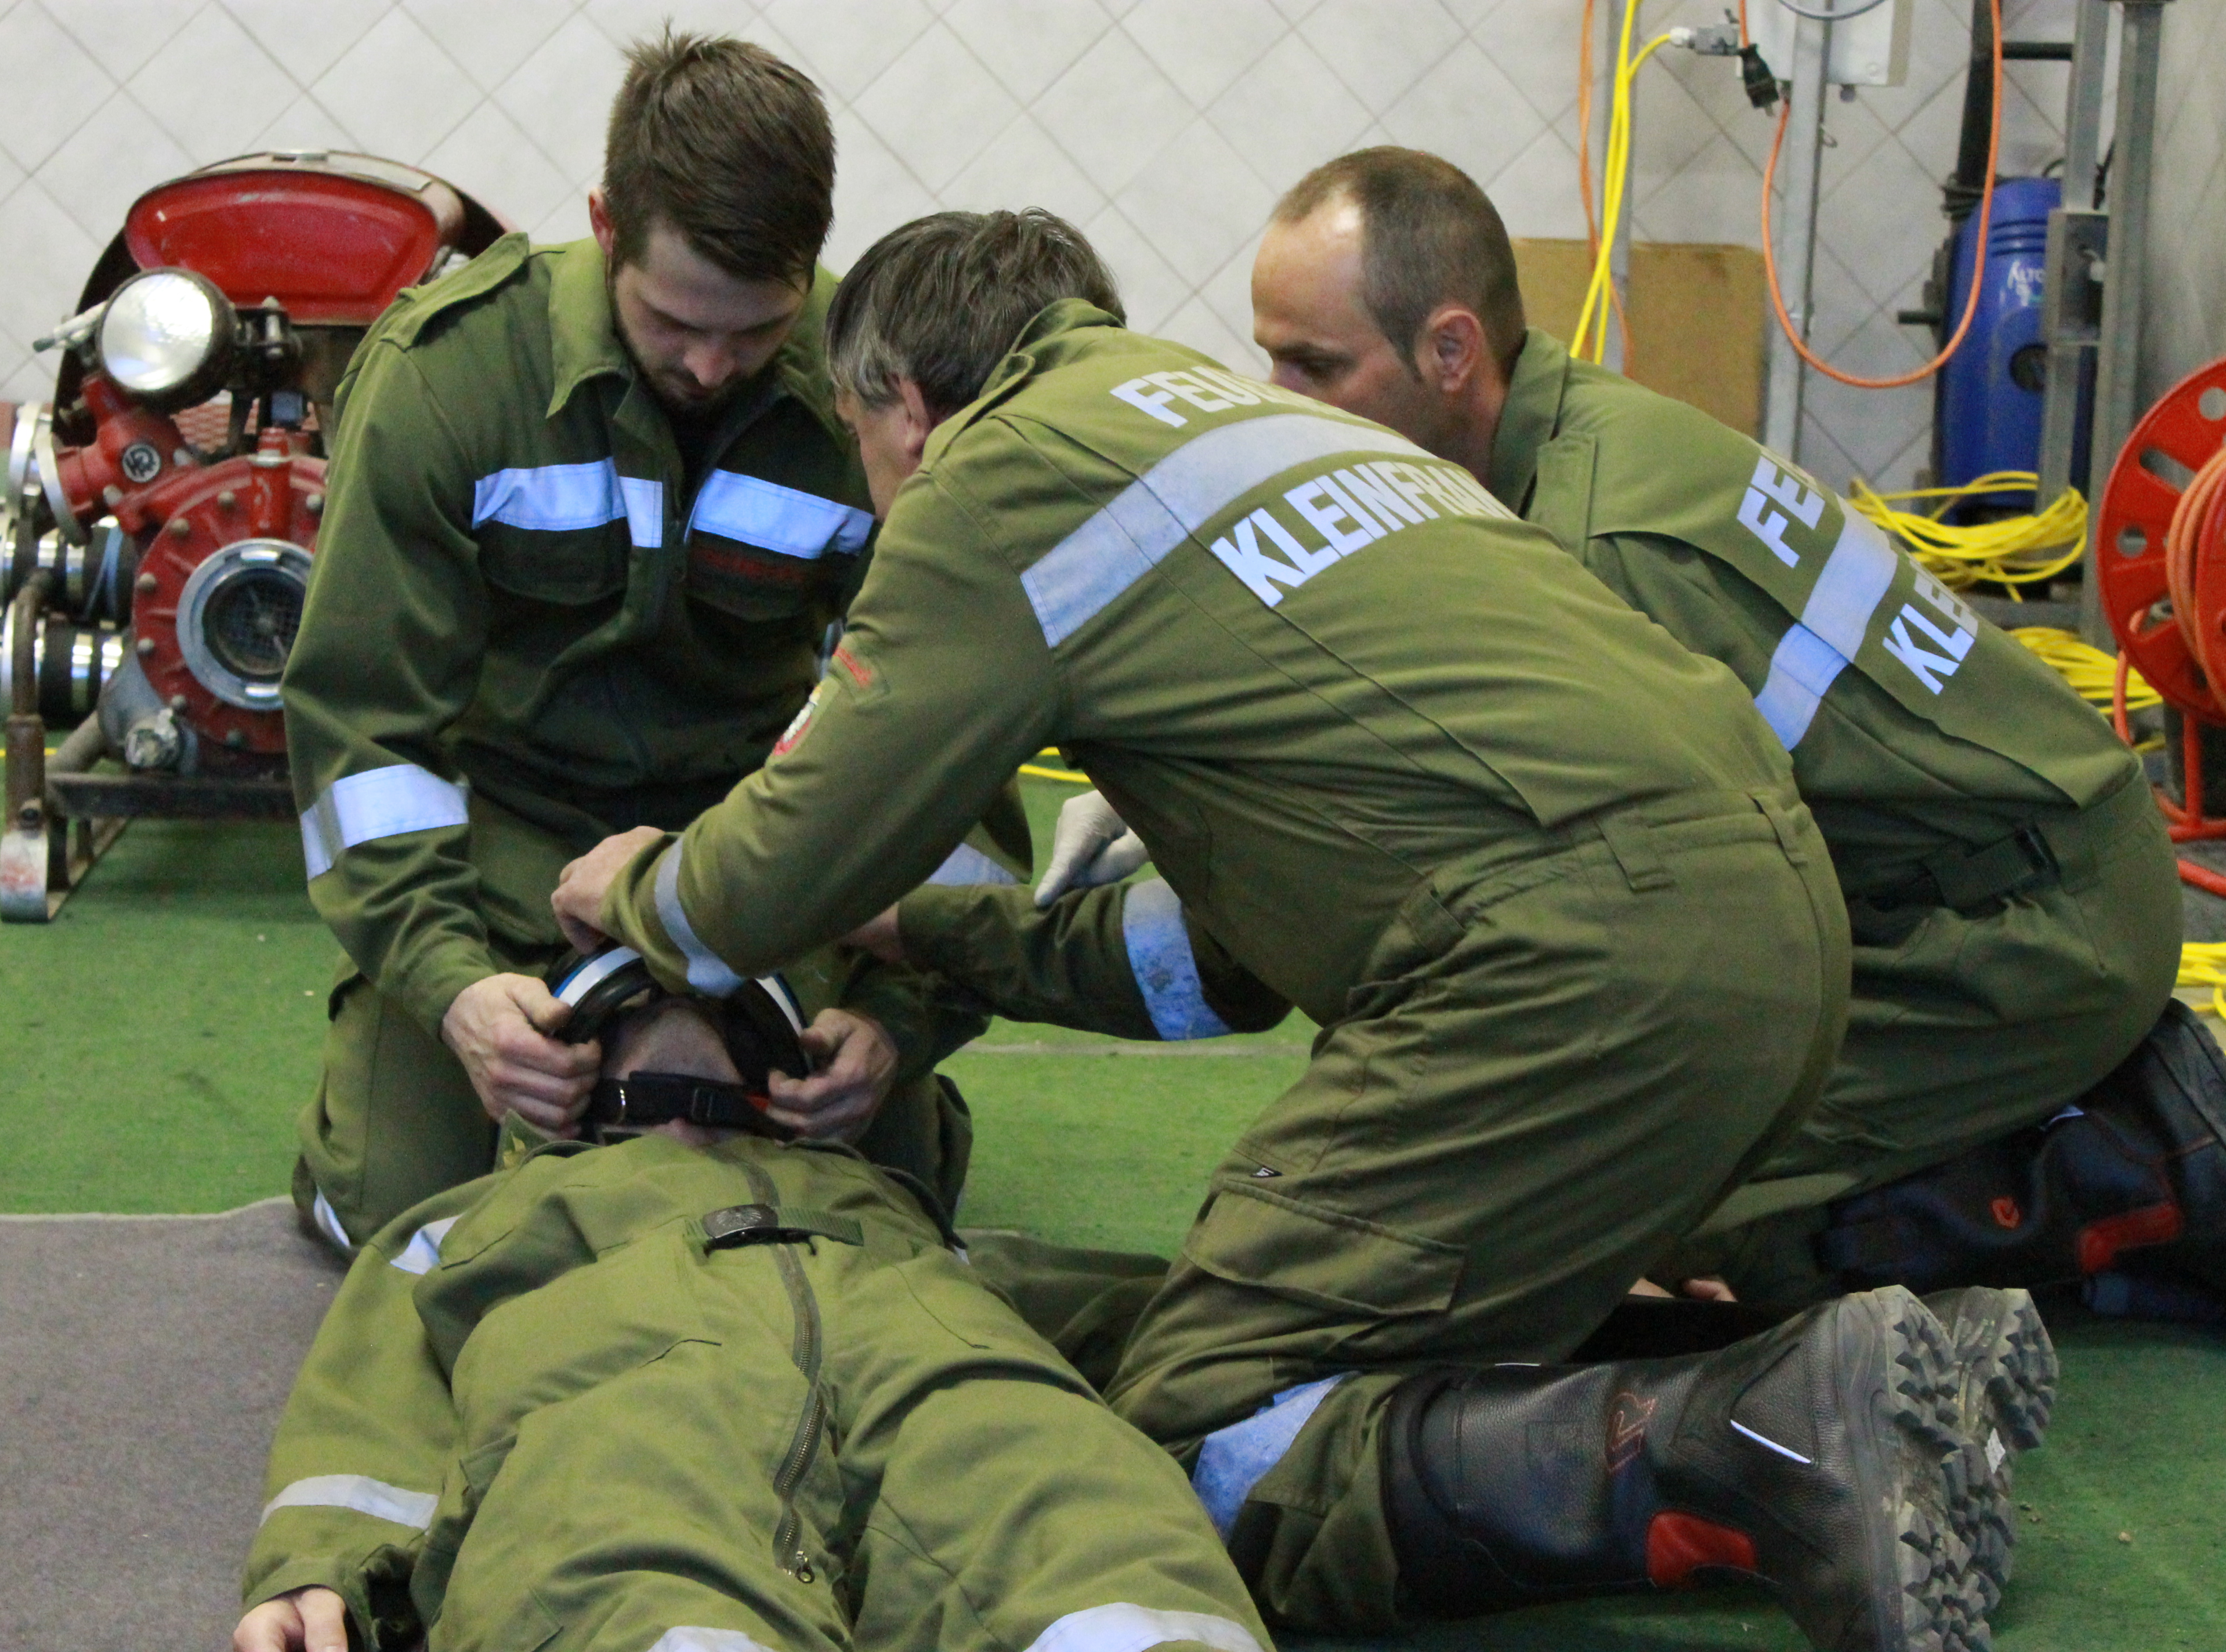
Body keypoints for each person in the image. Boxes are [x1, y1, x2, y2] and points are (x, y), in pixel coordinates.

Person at [549, 207, 2029, 1651]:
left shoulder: (991, 480)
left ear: (907, 408)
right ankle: (1843, 1380)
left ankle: (1758, 1430)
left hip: (1574, 966)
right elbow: (1212, 969)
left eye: (859, 441)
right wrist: (921, 931)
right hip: (1772, 933)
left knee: (1201, 1428)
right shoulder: (1252, 427)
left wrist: (635, 891)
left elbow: (763, 878)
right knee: (1393, 1334)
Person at [1216, 145, 2211, 1311]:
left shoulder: (1596, 546)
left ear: (1450, 353)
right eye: (1271, 358)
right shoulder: (1572, 443)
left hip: (2037, 929)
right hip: (1961, 879)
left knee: (1593, 1215)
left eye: (1315, 365)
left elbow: (1648, 918)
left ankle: (2151, 1170)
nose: (1277, 400)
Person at [280, 31, 1018, 1251]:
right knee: (401, 1218)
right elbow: (362, 733)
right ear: (604, 227)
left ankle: (885, 1108)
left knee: (874, 1208)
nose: (713, 365)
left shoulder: (882, 404)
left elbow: (949, 742)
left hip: (765, 853)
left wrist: (896, 1025)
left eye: (760, 327)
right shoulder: (447, 381)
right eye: (675, 320)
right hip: (506, 847)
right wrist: (453, 988)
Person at [233, 983, 1272, 1652]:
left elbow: (1116, 1308)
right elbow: (374, 1392)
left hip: (942, 1364)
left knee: (1090, 1528)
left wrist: (1288, 1318)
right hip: (628, 1386)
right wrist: (319, 1563)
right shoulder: (478, 1217)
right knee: (622, 1563)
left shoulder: (886, 1197)